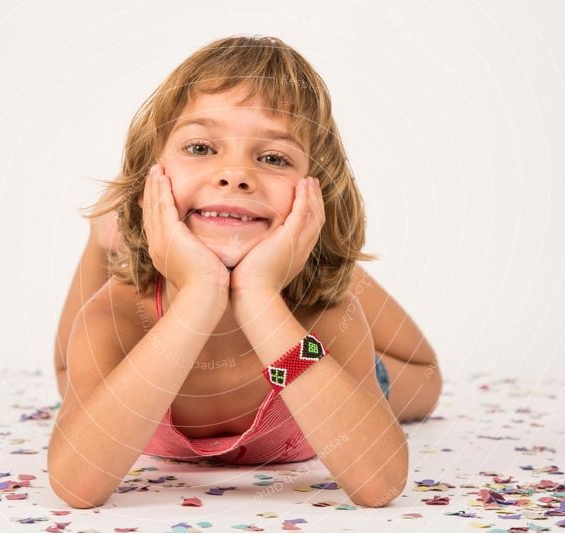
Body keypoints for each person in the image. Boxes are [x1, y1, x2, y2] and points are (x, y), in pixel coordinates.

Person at [48, 35, 442, 509]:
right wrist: (198, 295)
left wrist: (259, 295)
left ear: (313, 198)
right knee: (74, 381)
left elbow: (378, 484)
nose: (235, 174)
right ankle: (105, 235)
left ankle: (321, 256)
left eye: (273, 158)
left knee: (423, 380)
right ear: (147, 183)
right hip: (142, 329)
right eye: (199, 147)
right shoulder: (118, 318)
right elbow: (76, 484)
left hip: (318, 362)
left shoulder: (325, 321)